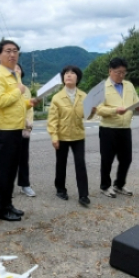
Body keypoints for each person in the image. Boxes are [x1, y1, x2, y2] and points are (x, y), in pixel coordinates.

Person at [0, 40, 37, 221]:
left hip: (16, 130)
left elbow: (15, 102)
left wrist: (27, 102)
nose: (12, 54)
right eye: (8, 51)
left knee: (10, 172)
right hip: (3, 131)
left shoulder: (13, 76)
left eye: (15, 51)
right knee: (3, 173)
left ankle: (8, 205)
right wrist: (19, 91)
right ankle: (0, 210)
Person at [95, 57, 139, 198]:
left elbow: (137, 101)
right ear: (110, 71)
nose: (121, 75)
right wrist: (115, 110)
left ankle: (119, 185)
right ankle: (105, 186)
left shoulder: (129, 86)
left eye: (123, 72)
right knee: (107, 159)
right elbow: (99, 109)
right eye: (118, 72)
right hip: (108, 129)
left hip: (125, 128)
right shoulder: (102, 87)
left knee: (126, 159)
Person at [47, 65, 90, 207]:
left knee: (80, 164)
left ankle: (83, 195)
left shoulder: (84, 96)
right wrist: (54, 137)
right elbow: (52, 120)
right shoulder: (57, 98)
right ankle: (60, 189)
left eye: (72, 73)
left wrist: (93, 109)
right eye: (66, 73)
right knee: (61, 164)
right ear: (63, 77)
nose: (69, 75)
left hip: (78, 136)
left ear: (78, 78)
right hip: (62, 136)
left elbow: (87, 115)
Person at [15, 64, 36, 197]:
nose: (16, 69)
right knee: (8, 160)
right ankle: (6, 187)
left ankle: (25, 185)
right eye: (13, 68)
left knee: (23, 159)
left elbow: (29, 109)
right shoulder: (4, 87)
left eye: (18, 68)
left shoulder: (26, 89)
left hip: (23, 129)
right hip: (8, 128)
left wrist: (28, 125)